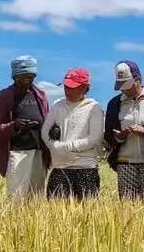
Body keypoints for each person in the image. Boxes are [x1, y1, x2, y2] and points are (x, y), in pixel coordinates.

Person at [0, 56, 52, 199]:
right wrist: (14, 125)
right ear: (15, 76)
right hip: (16, 152)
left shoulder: (40, 95)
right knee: (18, 196)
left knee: (37, 195)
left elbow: (46, 119)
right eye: (22, 77)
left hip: (38, 151)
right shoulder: (5, 96)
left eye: (29, 76)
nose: (26, 80)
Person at [104, 60, 144, 200]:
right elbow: (108, 135)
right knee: (127, 206)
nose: (124, 89)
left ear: (138, 79)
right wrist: (120, 136)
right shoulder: (114, 104)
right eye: (121, 86)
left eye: (127, 85)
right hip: (125, 162)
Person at [42, 68, 105, 200]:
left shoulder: (94, 107)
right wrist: (52, 145)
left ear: (84, 88)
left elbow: (94, 138)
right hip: (60, 167)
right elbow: (44, 131)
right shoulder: (57, 106)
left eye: (72, 87)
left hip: (85, 167)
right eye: (66, 87)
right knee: (55, 212)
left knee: (87, 212)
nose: (67, 91)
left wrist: (66, 147)